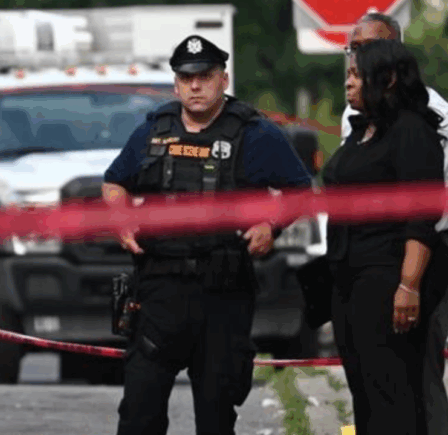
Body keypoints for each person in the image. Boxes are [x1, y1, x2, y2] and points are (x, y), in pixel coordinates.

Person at [102, 34, 313, 435]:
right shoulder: (154, 129)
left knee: (216, 416)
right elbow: (114, 183)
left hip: (222, 293)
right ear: (176, 83)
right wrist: (121, 218)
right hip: (159, 289)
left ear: (224, 79)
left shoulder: (254, 133)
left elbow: (299, 191)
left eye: (205, 76)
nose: (195, 85)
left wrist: (271, 225)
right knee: (139, 414)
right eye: (186, 77)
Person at [322, 38, 448, 435]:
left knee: (392, 393)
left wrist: (408, 285)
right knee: (364, 391)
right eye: (348, 75)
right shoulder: (362, 131)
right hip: (349, 279)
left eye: (357, 75)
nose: (349, 84)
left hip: (388, 278)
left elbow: (421, 218)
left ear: (389, 78)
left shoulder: (413, 132)